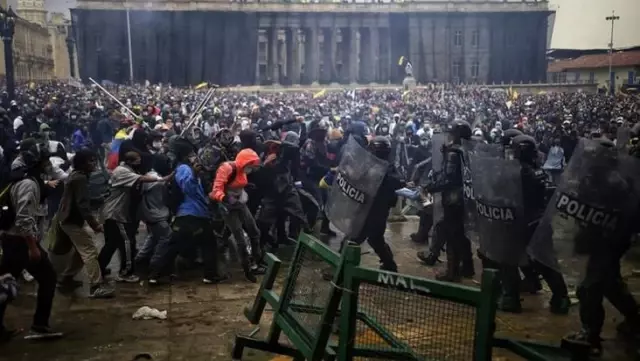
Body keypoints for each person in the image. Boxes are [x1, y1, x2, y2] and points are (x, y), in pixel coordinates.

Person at [0, 140, 62, 340]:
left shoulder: (25, 179)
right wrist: (32, 247)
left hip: (12, 239)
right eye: (45, 160)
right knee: (48, 278)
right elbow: (24, 218)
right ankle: (39, 325)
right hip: (20, 242)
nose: (47, 164)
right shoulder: (28, 184)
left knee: (5, 284)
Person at [98, 151, 170, 282]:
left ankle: (99, 269)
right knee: (127, 242)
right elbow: (141, 179)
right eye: (137, 160)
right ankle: (125, 273)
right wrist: (163, 179)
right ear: (130, 161)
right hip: (115, 213)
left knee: (111, 244)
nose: (140, 162)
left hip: (111, 212)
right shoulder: (123, 171)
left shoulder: (123, 169)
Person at [57, 149, 114, 298]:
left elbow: (80, 201)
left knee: (80, 251)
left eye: (94, 160)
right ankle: (96, 287)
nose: (94, 163)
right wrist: (95, 225)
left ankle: (66, 279)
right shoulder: (80, 178)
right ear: (82, 163)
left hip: (68, 218)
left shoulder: (77, 175)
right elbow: (83, 205)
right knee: (89, 251)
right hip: (72, 220)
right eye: (90, 160)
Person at [425, 120, 474, 282]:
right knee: (461, 233)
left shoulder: (453, 152)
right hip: (467, 196)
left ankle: (452, 272)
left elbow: (449, 178)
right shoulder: (470, 150)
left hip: (454, 198)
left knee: (453, 234)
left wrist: (431, 187)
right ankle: (467, 266)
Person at [210, 148, 263, 283]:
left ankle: (258, 260)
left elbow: (239, 183)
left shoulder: (242, 170)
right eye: (251, 166)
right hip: (228, 207)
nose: (252, 169)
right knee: (240, 239)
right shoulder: (227, 168)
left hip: (240, 203)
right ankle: (247, 269)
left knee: (254, 232)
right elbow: (216, 189)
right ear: (245, 163)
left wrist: (246, 187)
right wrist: (225, 198)